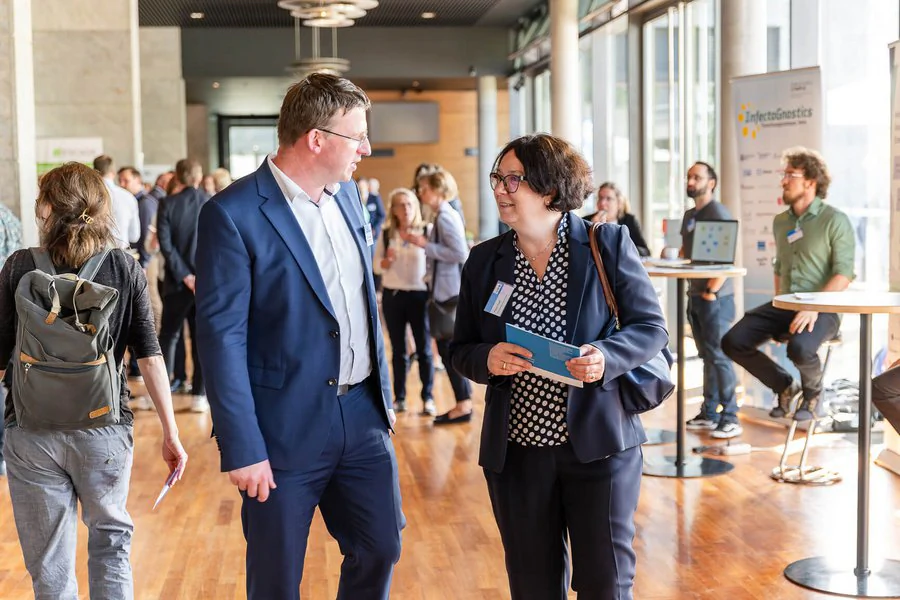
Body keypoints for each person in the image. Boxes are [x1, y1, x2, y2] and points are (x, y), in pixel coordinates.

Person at [194, 73, 403, 600]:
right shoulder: (232, 213)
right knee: (277, 576)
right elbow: (221, 339)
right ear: (317, 138)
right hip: (280, 428)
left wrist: (384, 397)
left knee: (380, 547)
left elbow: (360, 301)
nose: (367, 147)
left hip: (360, 414)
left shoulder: (350, 197)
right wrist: (242, 446)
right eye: (357, 136)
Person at [450, 133, 668, 599]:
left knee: (605, 585)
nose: (500, 189)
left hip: (598, 448)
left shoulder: (604, 245)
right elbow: (460, 347)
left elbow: (651, 328)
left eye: (513, 179)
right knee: (532, 586)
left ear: (550, 190)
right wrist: (486, 358)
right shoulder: (485, 261)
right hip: (518, 455)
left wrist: (605, 356)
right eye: (497, 178)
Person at [0, 162, 187, 598]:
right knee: (111, 544)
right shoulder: (124, 268)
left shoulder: (18, 266)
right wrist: (171, 433)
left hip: (31, 432)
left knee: (49, 563)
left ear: (46, 208)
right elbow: (150, 355)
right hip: (103, 427)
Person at [723, 147, 855, 422]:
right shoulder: (781, 222)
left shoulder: (835, 220)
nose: (783, 181)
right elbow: (779, 267)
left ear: (810, 182)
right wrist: (780, 307)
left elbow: (843, 274)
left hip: (824, 309)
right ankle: (785, 385)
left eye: (790, 175)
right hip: (786, 303)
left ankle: (813, 394)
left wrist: (814, 307)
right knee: (734, 341)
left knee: (800, 348)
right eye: (783, 175)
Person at [677, 162, 741, 439]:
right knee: (706, 357)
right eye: (689, 176)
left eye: (697, 177)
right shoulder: (690, 214)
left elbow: (728, 259)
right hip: (695, 295)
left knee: (719, 357)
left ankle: (730, 416)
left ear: (711, 183)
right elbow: (685, 251)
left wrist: (710, 291)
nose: (691, 181)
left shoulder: (718, 213)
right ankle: (709, 412)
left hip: (715, 299)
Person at [402, 168, 471, 424]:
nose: (421, 193)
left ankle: (463, 403)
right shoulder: (441, 214)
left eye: (425, 189)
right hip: (444, 290)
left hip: (447, 293)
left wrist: (424, 245)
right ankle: (462, 401)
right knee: (446, 347)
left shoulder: (445, 216)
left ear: (438, 190)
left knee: (447, 348)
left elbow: (459, 253)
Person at [374, 188, 435, 415]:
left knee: (424, 349)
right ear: (394, 209)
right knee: (398, 350)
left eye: (409, 204)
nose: (406, 208)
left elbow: (438, 259)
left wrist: (424, 245)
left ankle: (428, 397)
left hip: (419, 295)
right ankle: (399, 397)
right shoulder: (387, 232)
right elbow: (376, 266)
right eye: (400, 204)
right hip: (394, 295)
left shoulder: (426, 230)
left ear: (415, 206)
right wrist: (386, 262)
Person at [157, 159, 208, 413]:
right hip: (205, 283)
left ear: (177, 177)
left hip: (177, 283)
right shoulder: (212, 201)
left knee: (169, 336)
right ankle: (200, 394)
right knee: (202, 339)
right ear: (198, 177)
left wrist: (185, 275)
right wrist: (199, 276)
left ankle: (163, 392)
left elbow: (166, 246)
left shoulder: (167, 203)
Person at [586, 182, 651, 256]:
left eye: (608, 199)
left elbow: (645, 252)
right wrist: (591, 228)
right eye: (600, 198)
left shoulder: (629, 221)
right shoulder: (587, 221)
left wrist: (623, 247)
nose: (602, 203)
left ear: (619, 203)